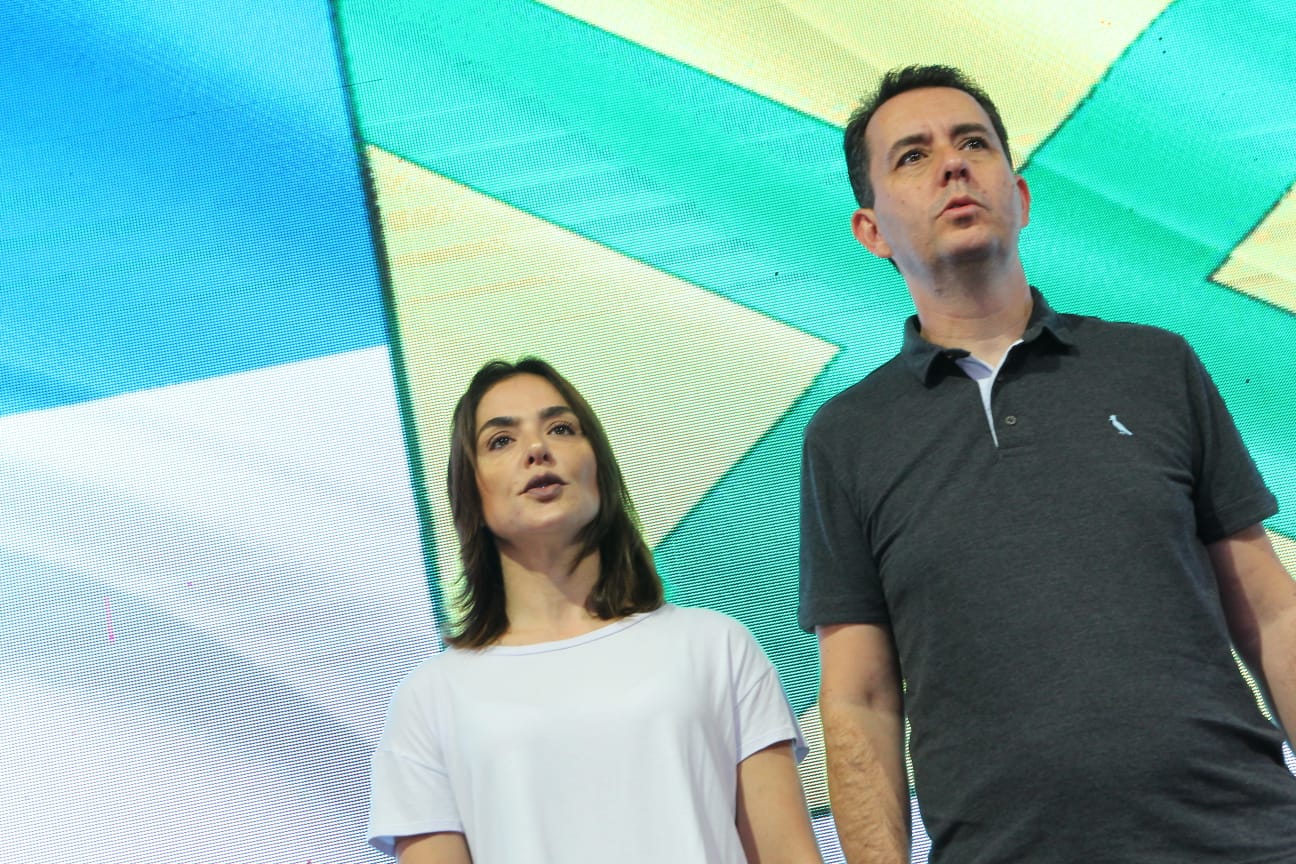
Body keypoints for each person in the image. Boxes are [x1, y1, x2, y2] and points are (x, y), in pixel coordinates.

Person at [798, 64, 1296, 863]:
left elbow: (1271, 613)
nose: (953, 165)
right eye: (913, 156)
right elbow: (858, 700)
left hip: (1244, 839)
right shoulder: (846, 437)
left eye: (973, 144)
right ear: (871, 231)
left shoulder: (1155, 365)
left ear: (1021, 196)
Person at [368, 358, 823, 863]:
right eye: (501, 440)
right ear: (470, 493)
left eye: (560, 429)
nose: (537, 450)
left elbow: (787, 853)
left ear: (600, 470)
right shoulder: (430, 699)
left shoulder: (716, 646)